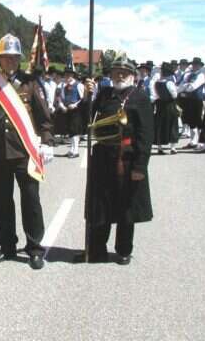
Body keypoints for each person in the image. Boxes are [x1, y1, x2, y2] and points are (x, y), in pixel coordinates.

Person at [0, 34, 53, 270]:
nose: (9, 62)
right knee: (1, 201)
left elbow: (43, 117)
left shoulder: (30, 83)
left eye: (13, 58)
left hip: (25, 152)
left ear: (19, 60)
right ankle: (7, 246)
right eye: (5, 58)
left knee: (31, 200)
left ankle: (34, 248)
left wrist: (47, 142)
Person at [82, 53, 153, 265]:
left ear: (132, 75)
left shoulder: (140, 97)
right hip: (103, 156)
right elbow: (86, 118)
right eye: (115, 72)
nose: (119, 75)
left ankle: (123, 250)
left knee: (125, 207)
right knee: (100, 206)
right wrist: (88, 97)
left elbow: (146, 134)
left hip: (127, 159)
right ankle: (96, 250)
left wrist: (140, 165)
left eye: (124, 72)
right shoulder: (104, 94)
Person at [178, 57, 205, 149]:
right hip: (188, 100)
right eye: (193, 64)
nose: (194, 66)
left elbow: (193, 87)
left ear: (200, 66)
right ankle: (193, 141)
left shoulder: (201, 75)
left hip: (197, 100)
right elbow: (181, 86)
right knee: (190, 121)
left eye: (196, 64)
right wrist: (185, 87)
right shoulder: (188, 75)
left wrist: (185, 87)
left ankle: (201, 142)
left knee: (198, 121)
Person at [151, 62, 179, 154]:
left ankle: (159, 147)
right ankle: (173, 148)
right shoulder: (169, 82)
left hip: (160, 105)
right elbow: (174, 95)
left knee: (160, 126)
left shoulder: (157, 83)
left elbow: (155, 96)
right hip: (170, 105)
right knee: (172, 125)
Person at [57, 66, 85, 158]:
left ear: (73, 75)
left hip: (76, 111)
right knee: (69, 130)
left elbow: (83, 99)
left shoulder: (79, 85)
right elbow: (60, 98)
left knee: (75, 131)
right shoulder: (62, 86)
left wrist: (75, 105)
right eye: (66, 75)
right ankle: (72, 149)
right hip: (66, 110)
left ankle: (76, 150)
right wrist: (62, 106)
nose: (67, 76)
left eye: (69, 75)